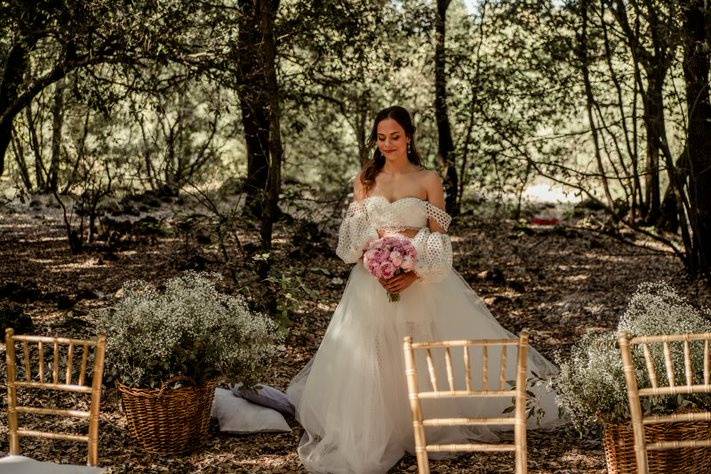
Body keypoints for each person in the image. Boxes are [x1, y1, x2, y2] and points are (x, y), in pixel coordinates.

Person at [287, 106, 559, 473]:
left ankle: (425, 420)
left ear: (409, 137)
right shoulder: (366, 180)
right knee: (375, 348)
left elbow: (439, 239)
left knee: (422, 346)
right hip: (372, 283)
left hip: (421, 281)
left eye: (395, 137)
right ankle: (382, 426)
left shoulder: (428, 179)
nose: (388, 144)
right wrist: (376, 257)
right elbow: (353, 240)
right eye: (381, 138)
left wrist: (413, 272)